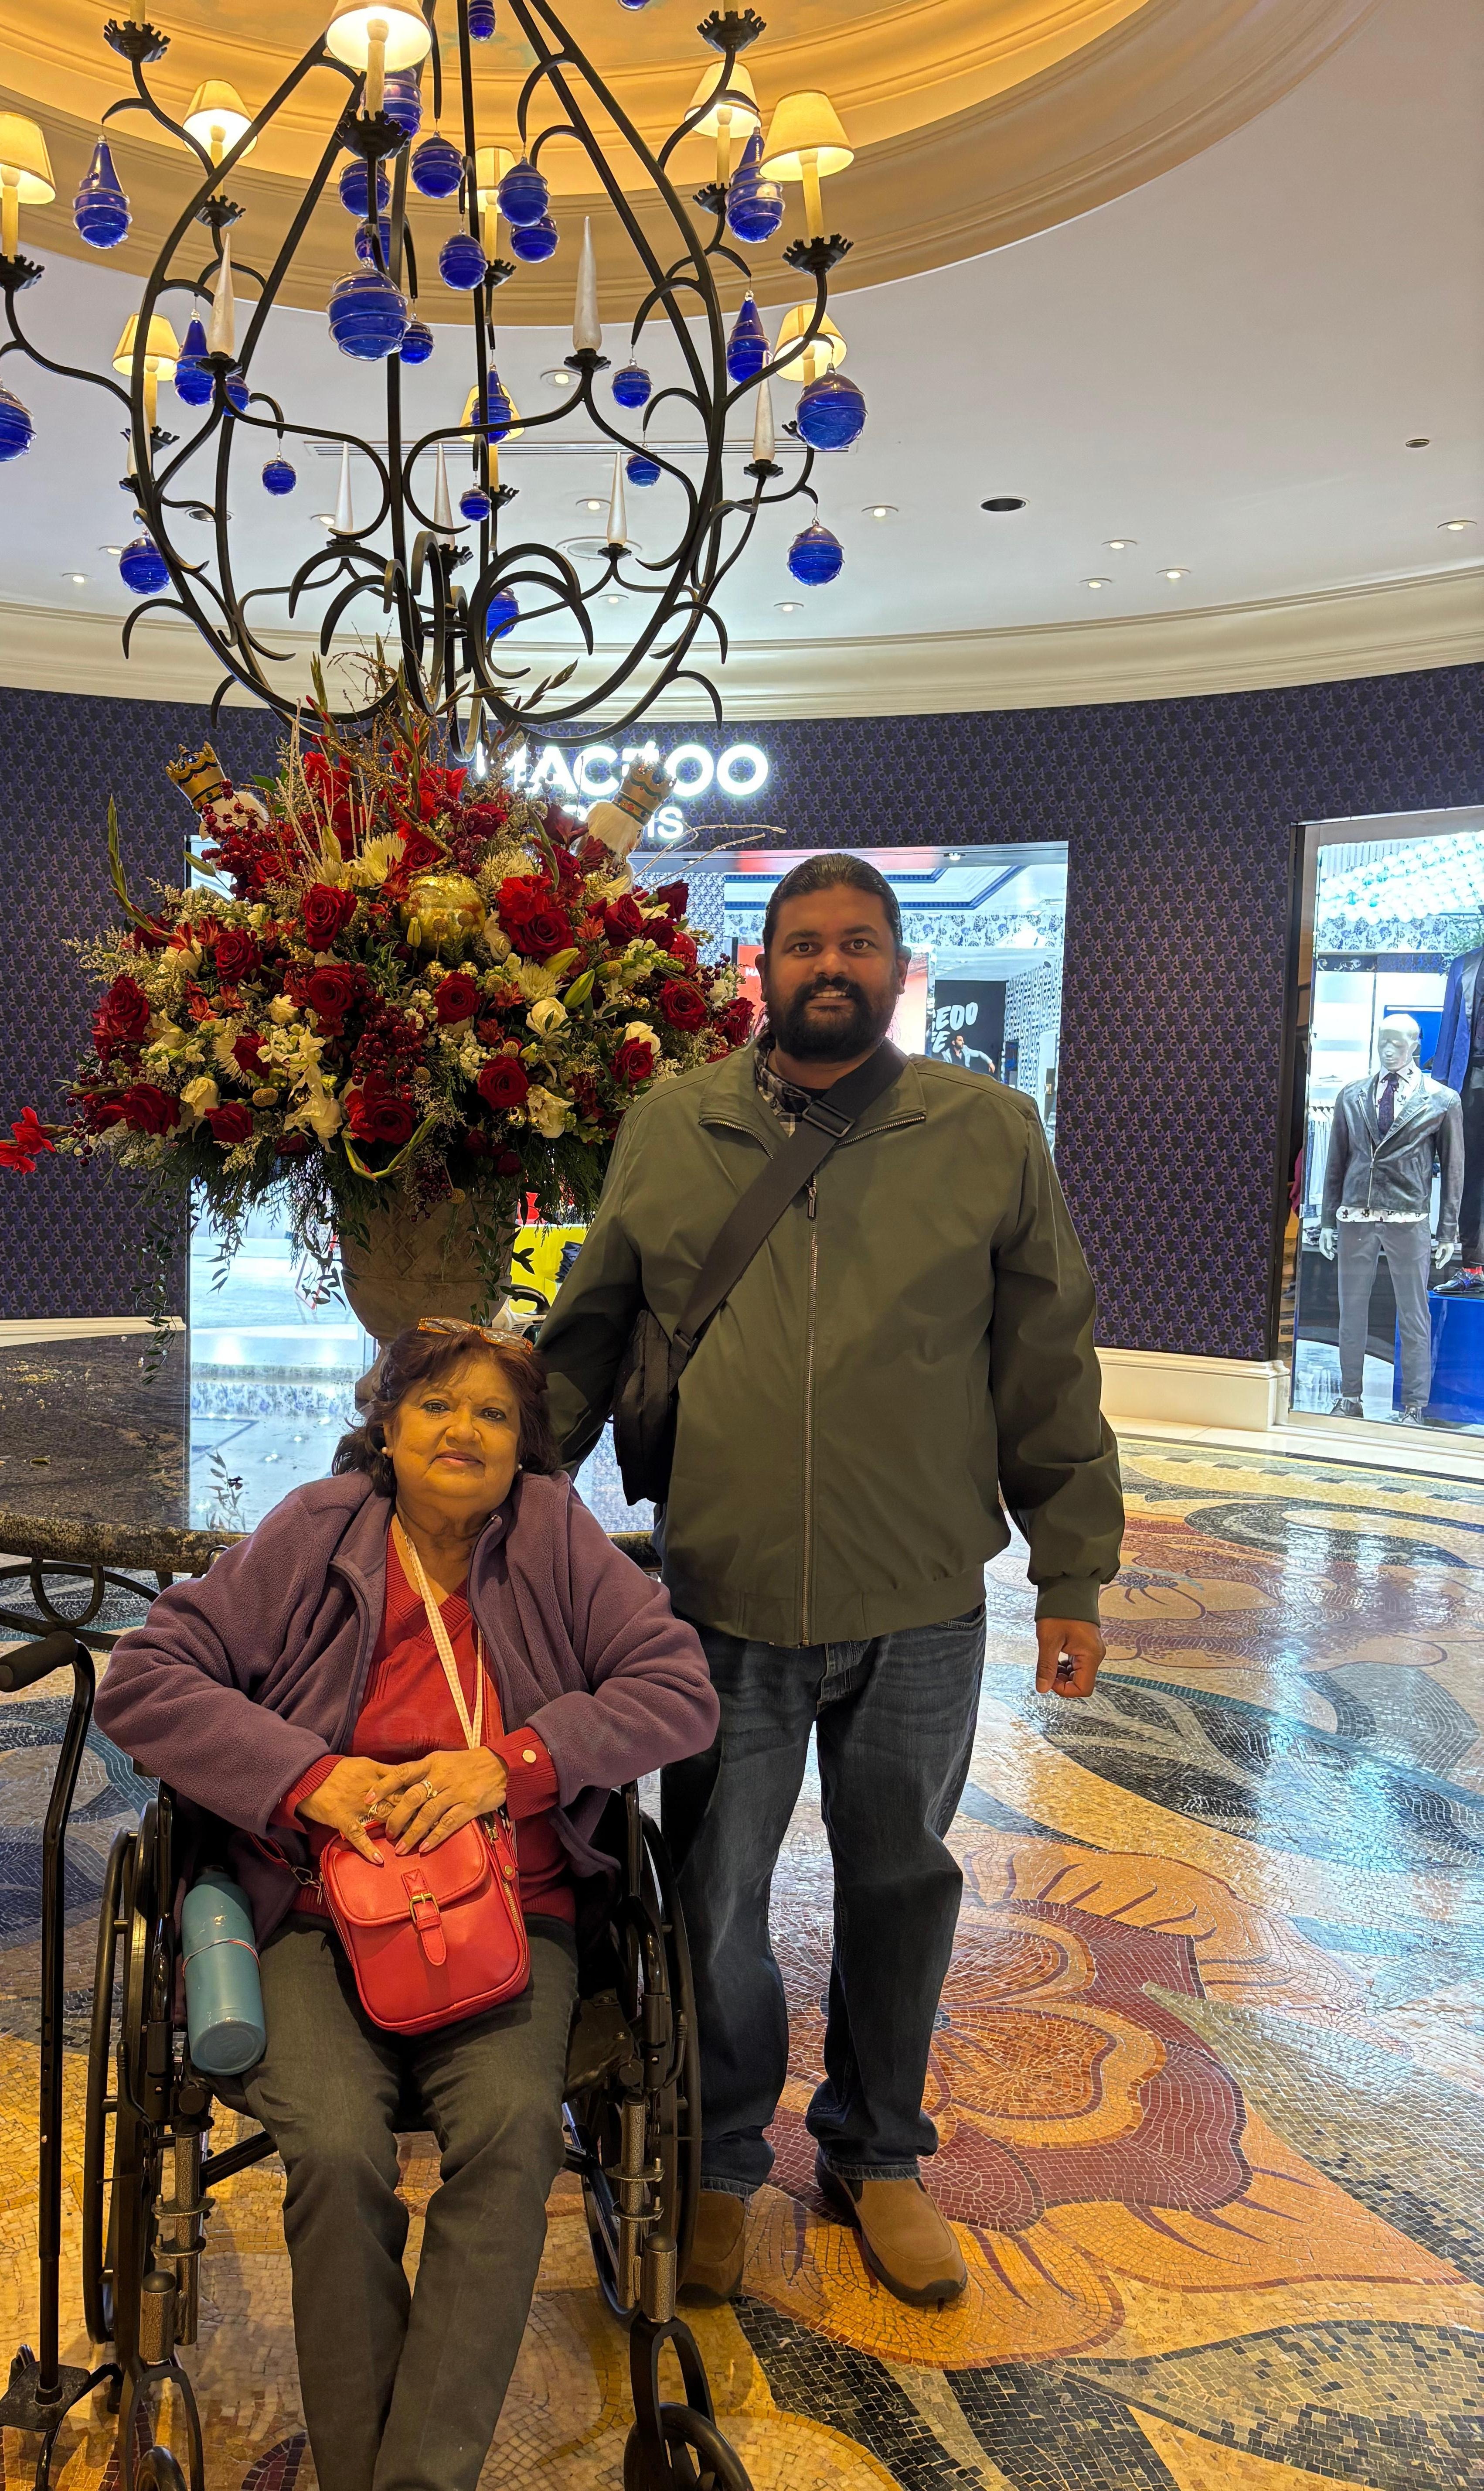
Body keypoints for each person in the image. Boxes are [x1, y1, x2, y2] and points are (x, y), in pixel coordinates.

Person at [535, 853, 1125, 2311]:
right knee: (715, 1892)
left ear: (898, 966)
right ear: (763, 967)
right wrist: (489, 1500)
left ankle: (878, 2152)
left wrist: (1074, 1568)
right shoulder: (674, 1127)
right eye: (803, 943)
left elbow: (1046, 1362)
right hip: (722, 1590)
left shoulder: (985, 1133)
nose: (829, 965)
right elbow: (589, 1327)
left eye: (857, 943)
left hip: (920, 1587)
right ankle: (723, 2156)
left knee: (903, 1878)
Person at [95, 1319, 718, 2491]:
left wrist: (516, 1764)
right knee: (333, 2147)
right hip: (314, 1914)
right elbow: (145, 1676)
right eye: (435, 1406)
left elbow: (679, 1692)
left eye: (491, 1415)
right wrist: (307, 1777)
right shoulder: (317, 1530)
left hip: (508, 1918)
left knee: (516, 2135)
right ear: (386, 1424)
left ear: (523, 1449)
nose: (461, 1431)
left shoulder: (552, 1539)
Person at [1317, 1011, 1462, 1423]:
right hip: (1355, 1217)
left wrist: (1446, 1229)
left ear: (1416, 1046)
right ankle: (1350, 1397)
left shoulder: (1441, 1100)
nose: (1389, 1049)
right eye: (1383, 1041)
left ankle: (1415, 1405)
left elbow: (1454, 1170)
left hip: (1409, 1216)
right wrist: (1329, 1219)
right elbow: (1336, 1163)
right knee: (1352, 1309)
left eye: (1399, 1043)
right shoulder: (1352, 1095)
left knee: (1414, 1312)